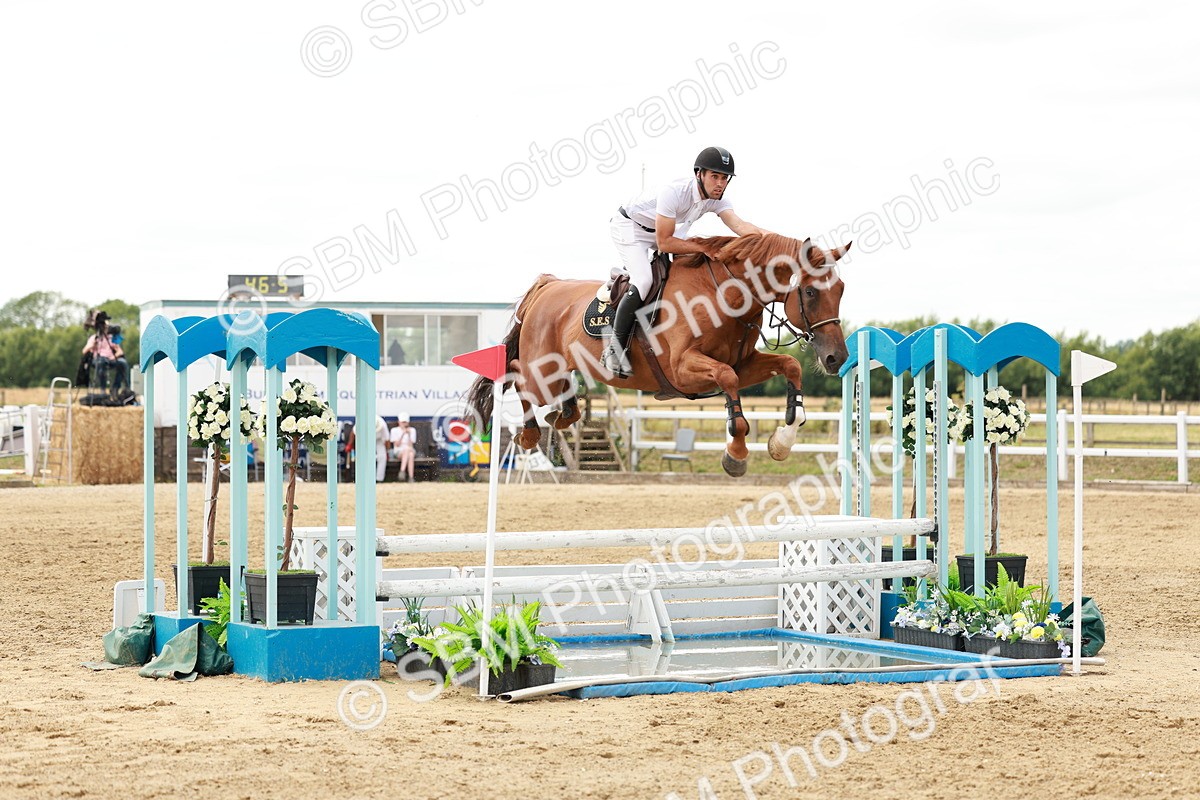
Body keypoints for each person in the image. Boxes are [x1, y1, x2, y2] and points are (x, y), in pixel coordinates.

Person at [603, 146, 768, 377]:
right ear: (699, 174)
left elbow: (740, 226)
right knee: (643, 280)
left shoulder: (716, 198)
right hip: (630, 228)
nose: (720, 183)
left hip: (662, 231)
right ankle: (614, 348)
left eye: (724, 178)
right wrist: (703, 246)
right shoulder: (675, 192)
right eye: (714, 176)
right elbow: (664, 243)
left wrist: (775, 241)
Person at [81, 311, 129, 393]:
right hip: (98, 360)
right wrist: (93, 345)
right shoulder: (94, 338)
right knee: (101, 362)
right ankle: (102, 390)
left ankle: (115, 389)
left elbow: (120, 352)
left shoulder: (111, 338)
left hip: (111, 359)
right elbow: (84, 351)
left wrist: (113, 357)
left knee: (123, 363)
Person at [390, 418, 417, 482]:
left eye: (405, 422)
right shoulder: (394, 430)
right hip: (399, 452)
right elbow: (397, 445)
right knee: (410, 454)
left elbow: (411, 445)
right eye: (403, 422)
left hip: (409, 450)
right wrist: (403, 434)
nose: (404, 424)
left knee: (409, 452)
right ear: (399, 422)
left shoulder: (412, 430)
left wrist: (409, 434)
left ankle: (402, 471)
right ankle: (411, 477)